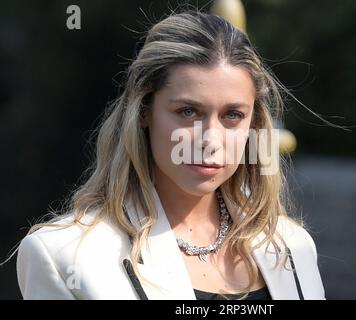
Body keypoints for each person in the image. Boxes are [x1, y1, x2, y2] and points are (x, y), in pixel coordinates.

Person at [15, 10, 325, 300]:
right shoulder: (65, 255)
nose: (210, 140)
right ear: (144, 111)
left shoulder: (292, 245)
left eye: (232, 115)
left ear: (254, 124)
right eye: (188, 111)